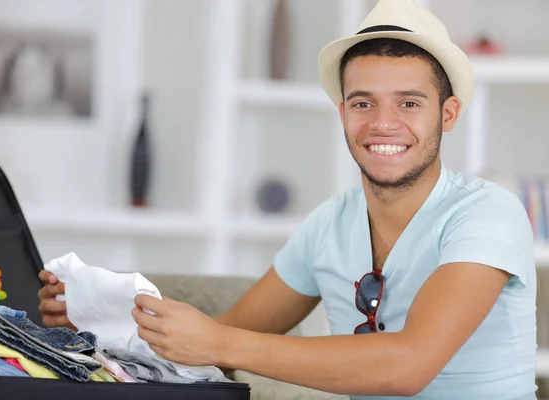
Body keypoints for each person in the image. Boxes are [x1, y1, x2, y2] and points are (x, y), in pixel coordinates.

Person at [38, 0, 538, 398]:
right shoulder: (329, 224)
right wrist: (100, 318)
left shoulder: (487, 213)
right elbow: (222, 335)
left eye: (409, 103)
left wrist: (219, 342)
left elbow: (408, 366)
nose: (383, 124)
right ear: (342, 112)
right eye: (363, 103)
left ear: (447, 114)